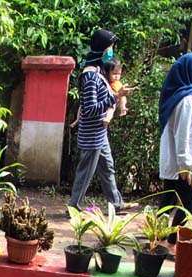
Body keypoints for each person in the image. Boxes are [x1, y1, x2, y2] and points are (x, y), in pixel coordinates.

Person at [68, 29, 136, 215]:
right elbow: (90, 109)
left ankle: (116, 203)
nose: (111, 51)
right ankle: (73, 207)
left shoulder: (98, 72)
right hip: (92, 135)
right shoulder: (90, 76)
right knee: (86, 173)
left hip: (99, 134)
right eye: (110, 47)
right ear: (102, 49)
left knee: (107, 168)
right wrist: (116, 97)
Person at [158, 52, 192, 250]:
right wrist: (186, 165)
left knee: (168, 199)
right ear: (191, 71)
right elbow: (181, 135)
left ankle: (159, 239)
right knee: (190, 201)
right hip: (184, 164)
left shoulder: (189, 96)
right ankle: (171, 241)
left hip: (180, 162)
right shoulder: (185, 100)